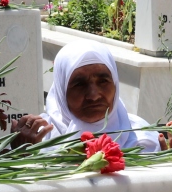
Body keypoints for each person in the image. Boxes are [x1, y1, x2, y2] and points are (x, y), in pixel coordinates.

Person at [11, 42, 163, 152]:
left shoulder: (142, 138)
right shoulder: (38, 138)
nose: (93, 95)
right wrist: (19, 155)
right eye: (79, 84)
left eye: (103, 81)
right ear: (61, 91)